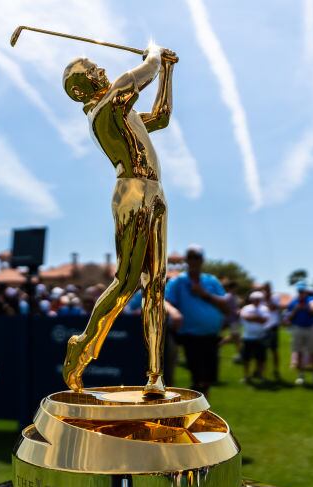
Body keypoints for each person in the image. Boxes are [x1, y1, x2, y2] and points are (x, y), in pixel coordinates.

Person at [60, 43, 179, 395]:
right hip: (131, 191)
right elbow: (141, 74)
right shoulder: (105, 108)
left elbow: (160, 118)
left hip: (155, 191)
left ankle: (155, 376)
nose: (101, 71)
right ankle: (82, 346)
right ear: (81, 90)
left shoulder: (122, 111)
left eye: (96, 66)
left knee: (156, 284)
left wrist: (168, 72)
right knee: (127, 282)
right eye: (91, 71)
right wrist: (156, 54)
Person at [165, 245, 228, 395]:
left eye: (197, 257)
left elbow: (225, 304)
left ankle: (203, 411)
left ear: (202, 260)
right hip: (190, 335)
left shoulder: (211, 281)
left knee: (208, 379)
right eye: (191, 257)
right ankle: (194, 410)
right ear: (186, 260)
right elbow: (164, 300)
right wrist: (174, 312)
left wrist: (204, 294)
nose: (193, 261)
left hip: (211, 336)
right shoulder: (178, 281)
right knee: (198, 377)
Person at [284, 283, 313, 385]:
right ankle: (301, 375)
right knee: (298, 352)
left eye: (303, 292)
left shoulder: (311, 300)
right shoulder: (293, 302)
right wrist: (296, 309)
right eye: (300, 292)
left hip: (310, 328)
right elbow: (287, 319)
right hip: (297, 329)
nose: (302, 294)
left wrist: (307, 308)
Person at [239, 291, 271, 382]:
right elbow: (245, 317)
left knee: (261, 358)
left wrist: (252, 317)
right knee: (246, 358)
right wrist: (258, 318)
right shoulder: (246, 308)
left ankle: (260, 374)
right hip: (247, 337)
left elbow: (264, 320)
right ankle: (246, 376)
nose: (256, 301)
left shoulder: (265, 309)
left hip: (261, 337)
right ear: (251, 299)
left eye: (258, 299)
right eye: (255, 299)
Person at [261, 282, 282, 381]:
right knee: (262, 351)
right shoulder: (260, 298)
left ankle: (276, 370)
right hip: (262, 328)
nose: (266, 290)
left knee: (274, 350)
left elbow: (274, 307)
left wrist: (267, 299)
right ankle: (262, 371)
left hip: (273, 327)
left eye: (267, 288)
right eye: (265, 289)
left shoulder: (275, 297)